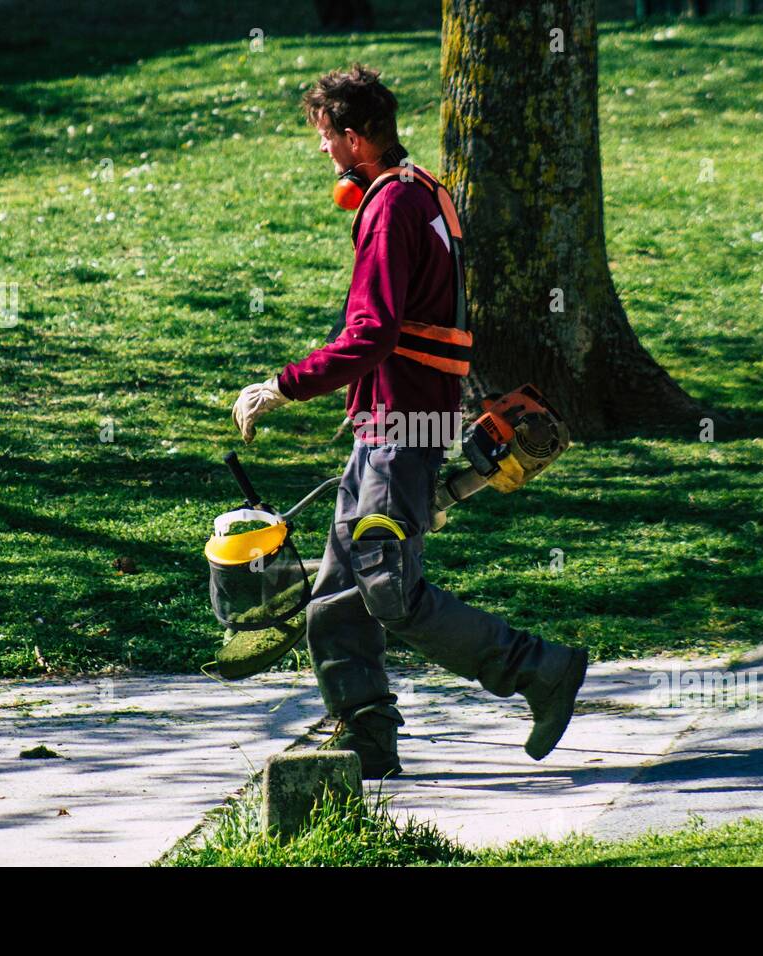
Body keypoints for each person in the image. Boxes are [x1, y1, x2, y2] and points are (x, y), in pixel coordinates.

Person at [231, 63, 587, 779]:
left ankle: (539, 670)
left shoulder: (391, 209)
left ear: (356, 139)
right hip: (393, 425)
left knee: (389, 588)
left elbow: (371, 336)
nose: (324, 153)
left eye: (328, 139)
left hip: (401, 425)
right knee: (336, 595)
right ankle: (367, 737)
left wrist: (282, 387)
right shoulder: (424, 192)